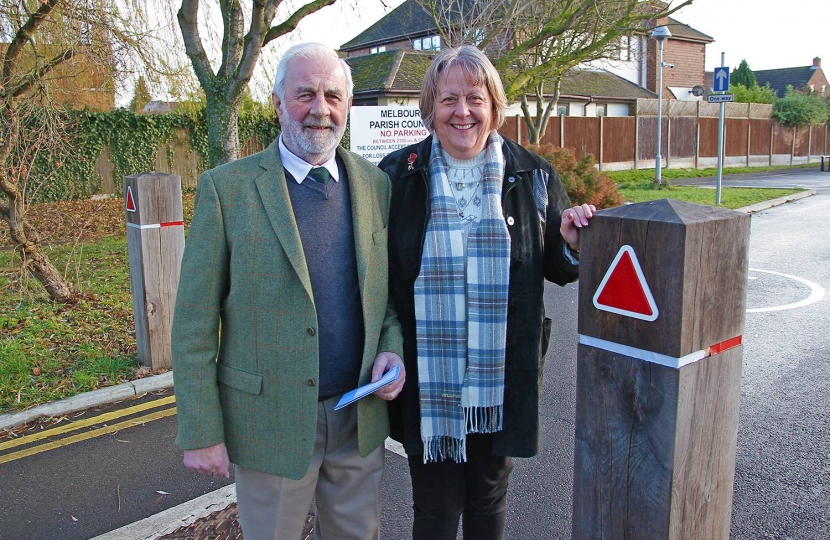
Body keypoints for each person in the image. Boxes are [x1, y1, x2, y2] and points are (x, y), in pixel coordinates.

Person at [171, 42, 405, 540]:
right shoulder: (226, 189)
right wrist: (202, 432)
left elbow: (384, 300)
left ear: (347, 105)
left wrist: (391, 349)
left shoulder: (374, 184)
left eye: (333, 96)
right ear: (277, 104)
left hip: (356, 419)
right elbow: (193, 323)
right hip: (269, 424)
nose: (321, 109)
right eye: (304, 95)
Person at [378, 45, 594, 539]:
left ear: (494, 106)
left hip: (501, 376)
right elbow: (382, 279)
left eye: (474, 98)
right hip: (427, 376)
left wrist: (572, 244)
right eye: (449, 99)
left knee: (488, 498)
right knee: (433, 507)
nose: (462, 111)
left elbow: (559, 269)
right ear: (430, 107)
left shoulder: (534, 176)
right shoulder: (396, 176)